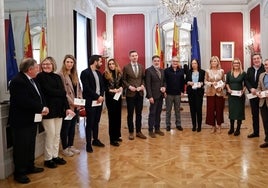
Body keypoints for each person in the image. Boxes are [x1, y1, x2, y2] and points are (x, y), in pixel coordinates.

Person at [8, 58, 49, 184]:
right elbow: (24, 101)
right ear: (30, 69)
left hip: (32, 119)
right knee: (21, 147)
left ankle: (30, 166)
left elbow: (39, 96)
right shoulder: (17, 81)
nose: (38, 69)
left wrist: (43, 106)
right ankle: (19, 173)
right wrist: (41, 107)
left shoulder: (32, 79)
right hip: (21, 121)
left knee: (30, 144)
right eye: (37, 67)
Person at [36, 57, 75, 168]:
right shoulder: (40, 76)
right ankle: (48, 159)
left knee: (57, 134)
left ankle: (55, 156)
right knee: (50, 134)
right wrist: (61, 92)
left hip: (59, 110)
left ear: (53, 65)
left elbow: (63, 94)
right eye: (44, 64)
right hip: (48, 110)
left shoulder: (57, 77)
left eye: (49, 64)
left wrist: (67, 108)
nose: (46, 66)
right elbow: (48, 91)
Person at [58, 55, 83, 156]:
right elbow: (63, 92)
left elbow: (79, 89)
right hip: (67, 106)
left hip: (76, 106)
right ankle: (64, 148)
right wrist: (72, 103)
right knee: (66, 127)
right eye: (67, 62)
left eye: (71, 62)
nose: (69, 64)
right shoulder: (60, 75)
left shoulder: (74, 74)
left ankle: (71, 145)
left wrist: (80, 100)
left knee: (73, 127)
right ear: (64, 63)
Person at [80, 55, 105, 152]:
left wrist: (101, 96)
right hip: (91, 101)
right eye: (100, 61)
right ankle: (88, 144)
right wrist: (97, 96)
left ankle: (95, 139)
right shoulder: (85, 73)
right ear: (95, 62)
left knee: (96, 121)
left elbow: (102, 86)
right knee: (90, 122)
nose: (101, 63)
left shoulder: (99, 73)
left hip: (99, 101)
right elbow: (86, 88)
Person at [122, 50, 146, 140]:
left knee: (139, 113)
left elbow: (143, 78)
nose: (134, 57)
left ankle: (139, 131)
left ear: (138, 56)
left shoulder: (141, 67)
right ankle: (131, 132)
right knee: (130, 114)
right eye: (132, 56)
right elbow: (123, 80)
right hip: (130, 94)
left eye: (136, 55)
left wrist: (143, 85)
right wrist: (129, 87)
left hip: (139, 93)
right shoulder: (126, 67)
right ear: (130, 57)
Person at [103, 58, 123, 146]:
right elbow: (104, 87)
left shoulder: (119, 73)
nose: (111, 65)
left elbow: (122, 84)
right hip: (110, 98)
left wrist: (121, 88)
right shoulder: (105, 74)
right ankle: (112, 139)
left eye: (112, 64)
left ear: (115, 64)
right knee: (112, 118)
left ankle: (117, 135)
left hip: (118, 97)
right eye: (109, 64)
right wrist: (112, 91)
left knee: (118, 116)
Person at [145, 55, 166, 138]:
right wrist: (150, 96)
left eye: (158, 61)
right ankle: (150, 130)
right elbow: (148, 85)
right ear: (152, 61)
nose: (157, 62)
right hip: (153, 96)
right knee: (152, 113)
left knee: (158, 113)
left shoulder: (162, 70)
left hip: (160, 95)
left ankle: (157, 129)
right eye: (155, 61)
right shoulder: (149, 71)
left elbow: (164, 81)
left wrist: (164, 87)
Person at [245, 53, 265, 138]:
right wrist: (251, 89)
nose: (256, 60)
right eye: (254, 59)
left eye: (258, 58)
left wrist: (259, 90)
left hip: (263, 96)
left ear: (261, 59)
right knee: (254, 114)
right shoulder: (249, 69)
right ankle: (256, 132)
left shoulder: (265, 68)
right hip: (253, 95)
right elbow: (246, 81)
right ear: (252, 61)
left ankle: (266, 135)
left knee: (265, 116)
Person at [225, 58, 246, 136]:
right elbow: (227, 83)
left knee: (239, 112)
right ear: (232, 64)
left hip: (240, 96)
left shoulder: (243, 73)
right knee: (232, 111)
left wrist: (243, 91)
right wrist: (229, 89)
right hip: (232, 96)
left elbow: (246, 84)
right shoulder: (229, 73)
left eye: (237, 63)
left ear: (239, 64)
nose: (236, 64)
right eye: (234, 63)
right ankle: (231, 128)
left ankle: (238, 129)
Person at [205, 56, 225, 133]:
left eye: (215, 61)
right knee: (211, 110)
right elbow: (205, 81)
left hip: (219, 93)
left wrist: (222, 87)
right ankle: (213, 126)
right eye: (212, 61)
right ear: (210, 63)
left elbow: (224, 81)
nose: (213, 62)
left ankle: (219, 126)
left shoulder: (221, 71)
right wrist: (211, 83)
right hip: (210, 93)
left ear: (218, 62)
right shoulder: (207, 71)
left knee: (219, 110)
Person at [164, 56, 185, 131]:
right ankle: (168, 125)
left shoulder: (181, 71)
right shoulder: (166, 71)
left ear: (178, 62)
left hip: (178, 94)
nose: (175, 63)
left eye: (176, 61)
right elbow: (164, 82)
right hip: (169, 94)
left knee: (177, 110)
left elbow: (182, 82)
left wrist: (182, 91)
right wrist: (165, 92)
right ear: (171, 62)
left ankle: (178, 124)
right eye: (173, 61)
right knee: (168, 110)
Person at [185, 59, 205, 132]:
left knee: (199, 110)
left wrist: (202, 83)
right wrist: (188, 82)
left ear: (198, 64)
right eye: (192, 63)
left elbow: (204, 81)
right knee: (192, 110)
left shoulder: (202, 72)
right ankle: (194, 125)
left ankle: (199, 126)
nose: (193, 65)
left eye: (195, 63)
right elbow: (185, 81)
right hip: (191, 93)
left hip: (199, 93)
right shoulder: (188, 72)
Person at [256, 59, 268, 148]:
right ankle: (267, 140)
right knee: (265, 121)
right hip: (263, 102)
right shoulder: (261, 75)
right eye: (265, 65)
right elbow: (259, 87)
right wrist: (258, 93)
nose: (267, 66)